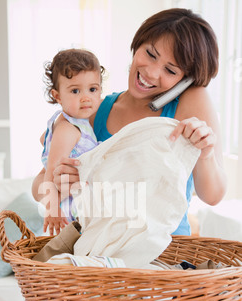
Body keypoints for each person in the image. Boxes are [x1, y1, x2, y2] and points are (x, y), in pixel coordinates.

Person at [32, 8, 227, 236]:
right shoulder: (95, 110)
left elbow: (213, 196)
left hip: (166, 254)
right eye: (151, 54)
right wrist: (59, 184)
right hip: (103, 254)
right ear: (138, 44)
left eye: (170, 70)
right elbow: (38, 189)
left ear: (186, 80)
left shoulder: (191, 100)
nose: (152, 73)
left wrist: (205, 154)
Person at [36, 48, 105, 235]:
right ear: (57, 96)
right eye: (75, 91)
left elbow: (43, 139)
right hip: (72, 209)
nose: (86, 97)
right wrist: (52, 210)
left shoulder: (64, 122)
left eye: (93, 89)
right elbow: (51, 170)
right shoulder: (68, 129)